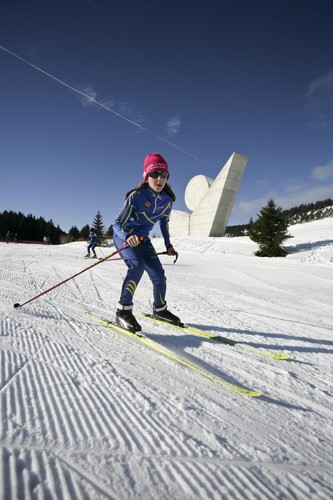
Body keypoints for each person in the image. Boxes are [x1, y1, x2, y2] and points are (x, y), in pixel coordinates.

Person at [112, 152, 182, 333]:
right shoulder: (136, 196)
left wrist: (168, 245)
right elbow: (117, 223)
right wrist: (127, 236)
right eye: (154, 174)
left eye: (163, 175)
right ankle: (123, 311)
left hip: (143, 240)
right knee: (137, 266)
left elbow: (163, 223)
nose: (159, 179)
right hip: (125, 236)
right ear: (146, 176)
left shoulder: (167, 201)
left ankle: (160, 309)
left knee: (159, 275)